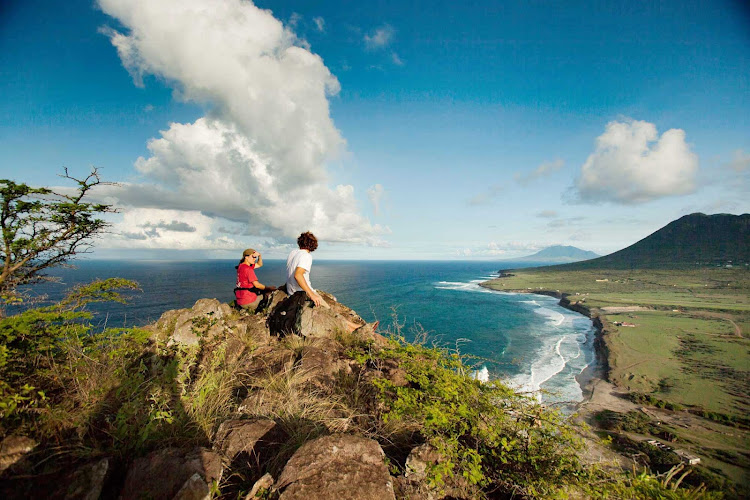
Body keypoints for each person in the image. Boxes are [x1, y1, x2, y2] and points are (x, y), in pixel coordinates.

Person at [285, 232, 326, 307]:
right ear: (313, 244)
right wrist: (312, 295)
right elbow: (298, 275)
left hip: (290, 292)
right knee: (327, 308)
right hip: (300, 292)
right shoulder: (306, 256)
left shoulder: (292, 253)